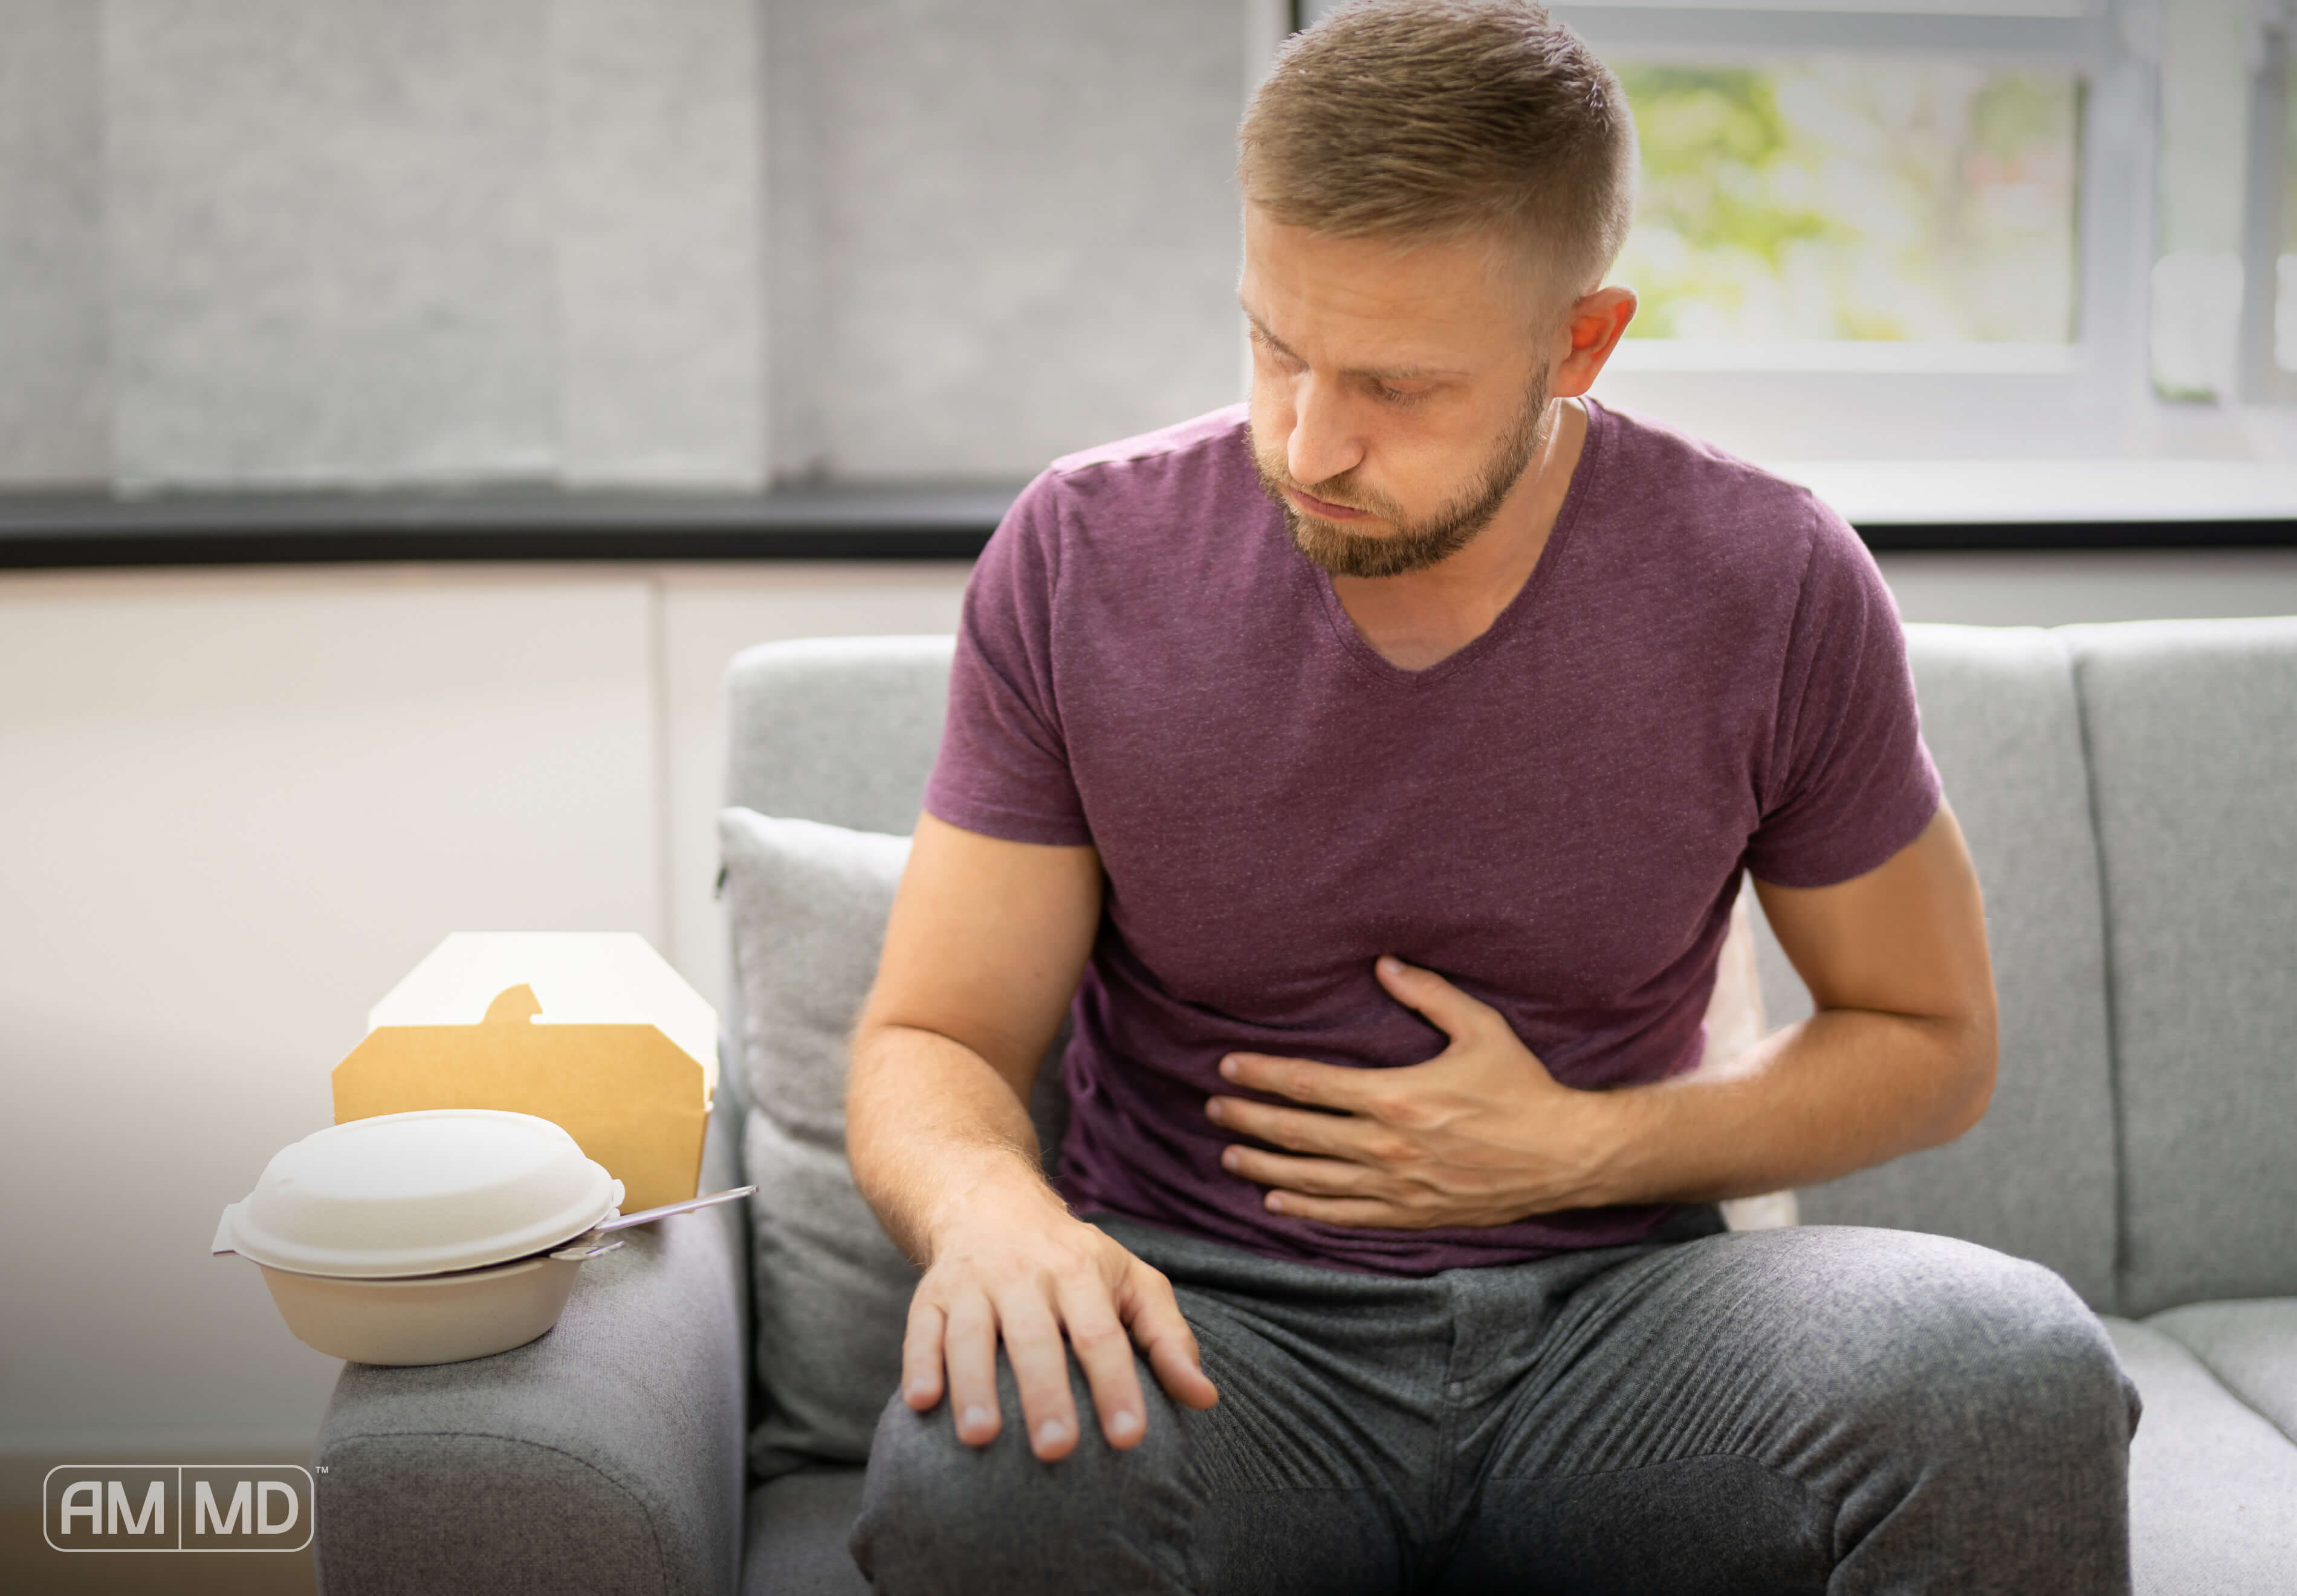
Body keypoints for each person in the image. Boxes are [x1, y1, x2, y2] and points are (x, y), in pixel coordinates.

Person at [843, 1, 2141, 1589]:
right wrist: (993, 1214)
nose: (1310, 441)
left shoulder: (1774, 581)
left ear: (1581, 342)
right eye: (1274, 344)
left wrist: (1576, 1152)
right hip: (1211, 1332)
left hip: (1625, 1326)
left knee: (2013, 1368)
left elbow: (1934, 1043)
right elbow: (937, 1036)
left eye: (1397, 384)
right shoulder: (1084, 557)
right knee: (972, 1474)